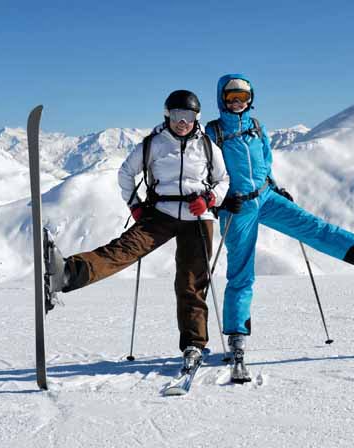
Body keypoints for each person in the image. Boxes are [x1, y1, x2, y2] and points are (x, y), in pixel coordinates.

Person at [205, 74, 354, 366]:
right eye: (232, 97)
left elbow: (264, 162)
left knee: (315, 228)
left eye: (243, 97)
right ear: (222, 99)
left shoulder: (256, 127)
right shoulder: (213, 133)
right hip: (238, 207)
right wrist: (220, 200)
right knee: (242, 272)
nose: (238, 103)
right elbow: (206, 173)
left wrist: (275, 186)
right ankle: (236, 335)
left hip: (267, 197)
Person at [45, 90, 229, 370]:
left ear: (196, 118)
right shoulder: (152, 144)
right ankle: (68, 274)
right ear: (167, 116)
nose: (183, 122)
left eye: (189, 116)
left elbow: (222, 179)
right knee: (122, 251)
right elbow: (125, 174)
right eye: (178, 115)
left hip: (197, 217)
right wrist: (135, 205)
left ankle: (194, 344)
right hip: (160, 213)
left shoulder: (206, 146)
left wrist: (210, 199)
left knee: (191, 282)